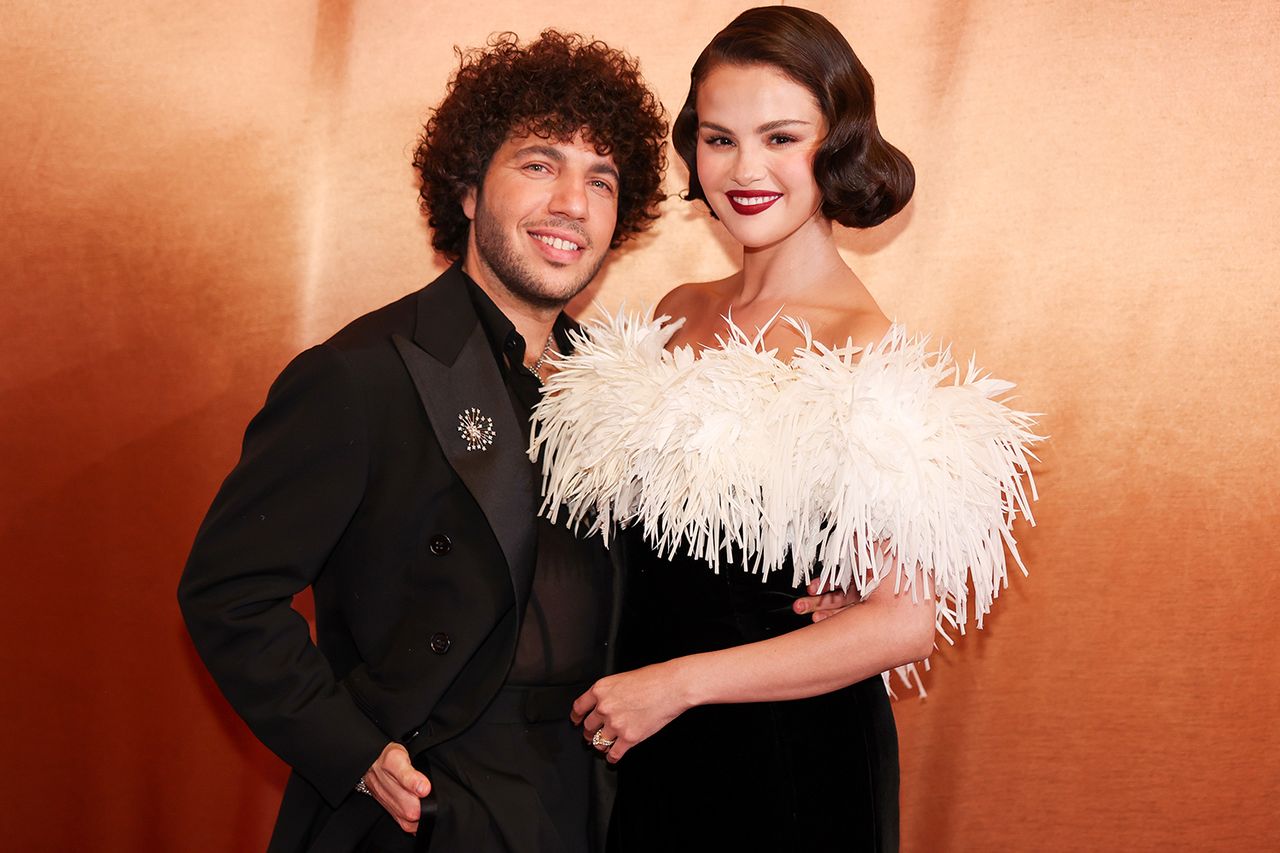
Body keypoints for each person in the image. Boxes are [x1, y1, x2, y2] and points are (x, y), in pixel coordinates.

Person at [530, 7, 1041, 852]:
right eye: (721, 138)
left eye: (780, 136)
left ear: (836, 144)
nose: (746, 168)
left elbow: (903, 622)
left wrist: (679, 684)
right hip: (654, 741)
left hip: (790, 763)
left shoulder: (859, 346)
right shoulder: (676, 310)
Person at [177, 31, 673, 853]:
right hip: (424, 804)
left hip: (587, 796)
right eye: (540, 164)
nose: (572, 205)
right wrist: (356, 749)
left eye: (601, 179)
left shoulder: (624, 388)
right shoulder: (359, 375)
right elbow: (226, 593)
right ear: (469, 188)